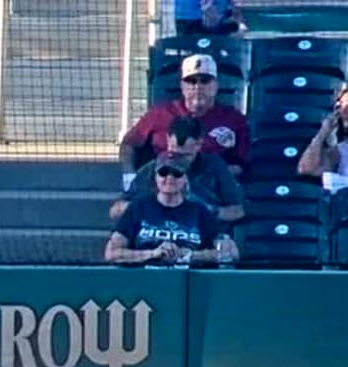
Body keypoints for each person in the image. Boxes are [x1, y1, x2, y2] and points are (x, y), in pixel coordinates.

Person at [120, 54, 249, 184]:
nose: (198, 87)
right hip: (163, 184)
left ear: (216, 85)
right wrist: (129, 176)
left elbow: (240, 166)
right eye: (191, 81)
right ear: (182, 86)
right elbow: (129, 143)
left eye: (204, 80)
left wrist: (213, 174)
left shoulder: (234, 118)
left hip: (210, 187)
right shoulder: (160, 113)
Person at [105, 152, 239, 266]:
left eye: (177, 173)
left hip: (190, 284)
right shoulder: (138, 207)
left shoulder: (199, 211)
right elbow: (111, 253)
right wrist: (152, 254)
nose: (169, 178)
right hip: (144, 282)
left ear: (186, 179)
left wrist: (190, 255)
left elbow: (231, 253)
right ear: (155, 177)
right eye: (163, 172)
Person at [112, 115, 244, 224]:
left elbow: (238, 211)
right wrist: (147, 207)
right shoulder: (153, 168)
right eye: (174, 153)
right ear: (168, 141)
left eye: (185, 156)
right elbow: (116, 210)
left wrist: (210, 211)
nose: (178, 161)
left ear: (199, 145)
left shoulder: (215, 166)